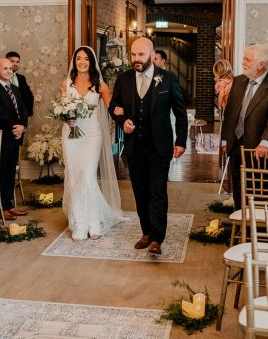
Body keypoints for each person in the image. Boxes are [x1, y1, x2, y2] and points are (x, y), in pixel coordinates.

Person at [109, 37, 188, 256]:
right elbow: (114, 106)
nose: (136, 59)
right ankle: (146, 232)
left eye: (141, 55)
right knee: (140, 192)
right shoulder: (124, 79)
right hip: (134, 148)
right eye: (133, 55)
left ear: (152, 55)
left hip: (160, 147)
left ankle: (157, 238)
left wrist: (180, 141)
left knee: (157, 192)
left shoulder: (168, 79)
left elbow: (181, 114)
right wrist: (121, 121)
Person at [60, 46, 122, 241]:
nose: (82, 62)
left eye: (86, 58)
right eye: (78, 58)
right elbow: (62, 109)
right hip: (71, 135)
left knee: (87, 177)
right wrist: (66, 118)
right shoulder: (66, 83)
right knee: (74, 177)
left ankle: (94, 221)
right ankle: (78, 223)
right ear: (74, 61)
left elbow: (112, 107)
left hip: (92, 135)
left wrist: (123, 112)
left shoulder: (100, 85)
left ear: (92, 61)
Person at [221, 43, 268, 211]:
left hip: (257, 148)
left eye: (248, 60)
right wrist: (224, 140)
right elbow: (229, 114)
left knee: (257, 189)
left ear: (261, 64)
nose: (244, 62)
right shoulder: (238, 81)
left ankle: (255, 230)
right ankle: (241, 222)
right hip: (235, 143)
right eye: (244, 59)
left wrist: (265, 143)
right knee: (236, 186)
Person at [0, 58, 28, 221]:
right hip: (2, 136)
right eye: (5, 68)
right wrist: (15, 127)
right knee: (0, 173)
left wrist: (22, 126)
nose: (9, 71)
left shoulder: (14, 88)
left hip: (15, 137)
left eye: (10, 69)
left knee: (9, 173)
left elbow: (23, 109)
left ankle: (9, 204)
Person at [6, 51, 34, 117]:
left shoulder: (21, 78)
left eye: (17, 62)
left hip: (22, 114)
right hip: (7, 114)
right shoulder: (1, 77)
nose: (15, 64)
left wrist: (27, 113)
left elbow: (29, 95)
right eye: (12, 61)